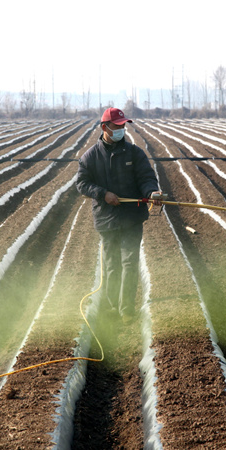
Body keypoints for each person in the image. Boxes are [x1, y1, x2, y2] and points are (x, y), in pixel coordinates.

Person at [76, 107, 164, 323]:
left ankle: (126, 310)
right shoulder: (90, 157)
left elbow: (146, 178)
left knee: (129, 262)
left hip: (132, 218)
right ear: (105, 127)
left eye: (124, 126)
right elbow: (81, 183)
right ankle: (111, 307)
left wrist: (151, 192)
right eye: (117, 126)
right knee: (112, 265)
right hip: (106, 220)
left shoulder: (135, 154)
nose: (122, 130)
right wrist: (102, 194)